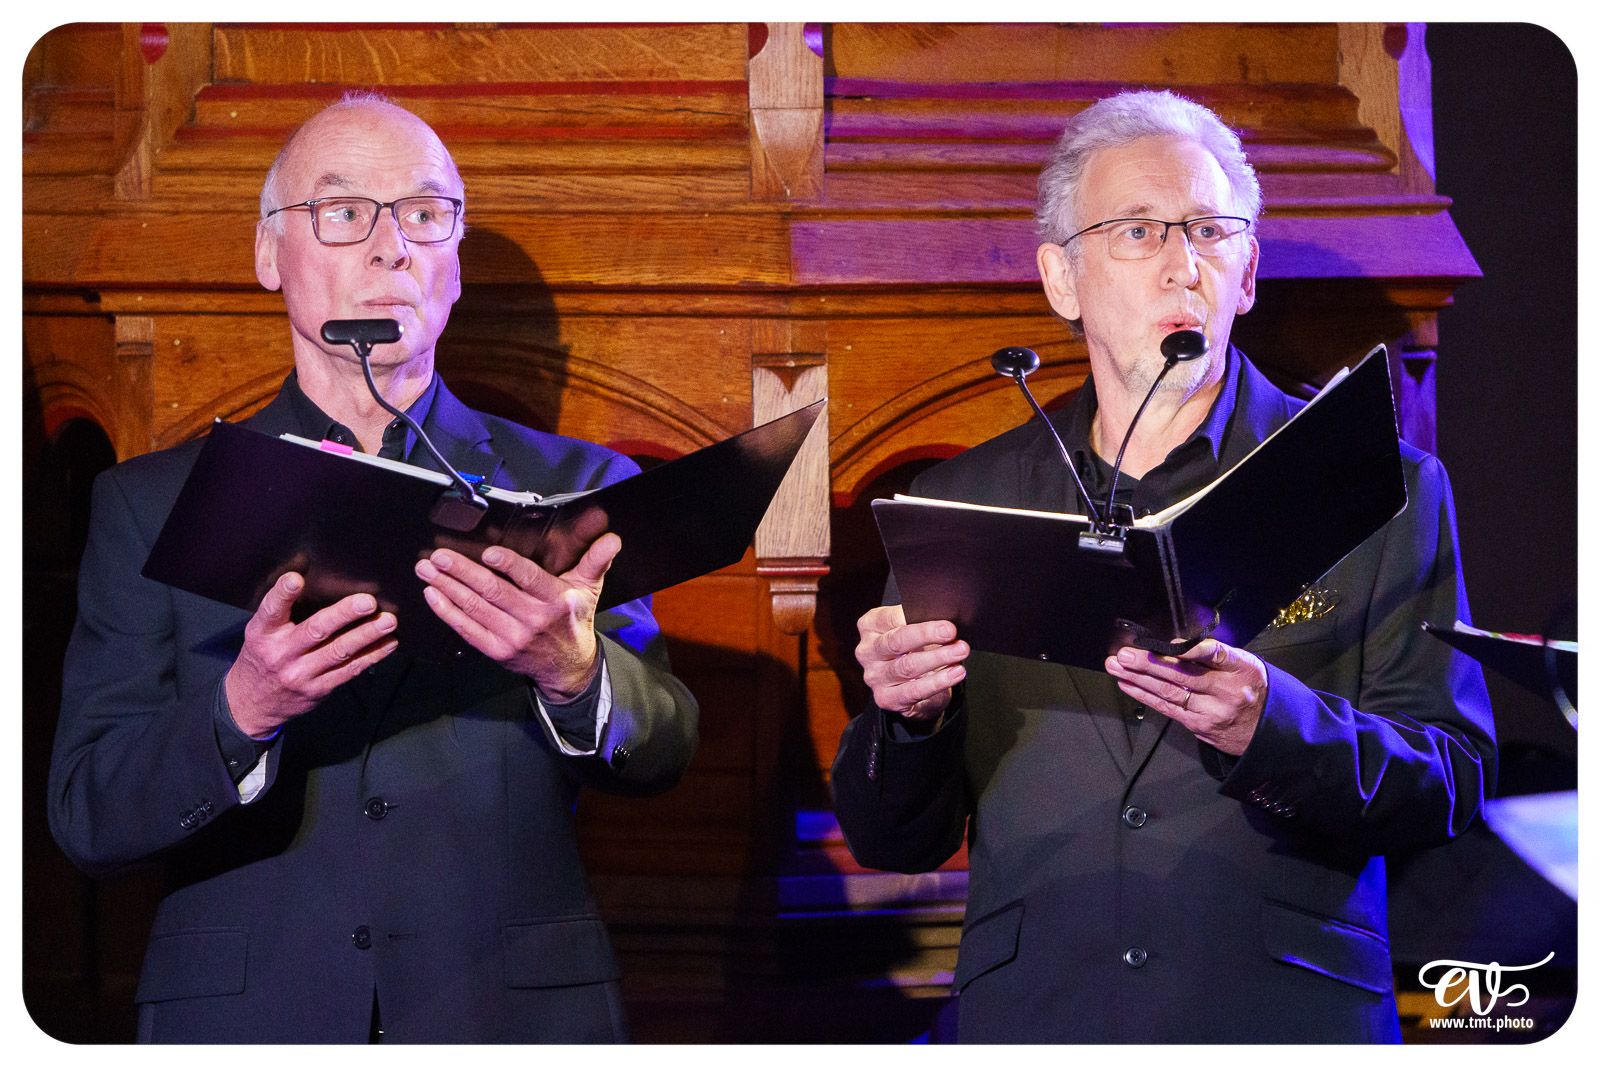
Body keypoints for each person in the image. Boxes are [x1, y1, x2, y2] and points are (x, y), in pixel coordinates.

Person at [832, 90, 1495, 1043]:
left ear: (1247, 273)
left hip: (1281, 1020)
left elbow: (1450, 778)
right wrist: (909, 718)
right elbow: (894, 836)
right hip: (1038, 1020)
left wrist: (1275, 725)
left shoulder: (1373, 484)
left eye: (1211, 232)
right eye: (1139, 231)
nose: (1184, 264)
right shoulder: (964, 503)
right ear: (1062, 279)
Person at [48, 94, 699, 1043]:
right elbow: (87, 813)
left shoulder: (576, 487)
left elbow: (666, 748)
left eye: (425, 214)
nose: (392, 247)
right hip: (247, 1021)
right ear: (269, 252)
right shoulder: (148, 504)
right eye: (345, 212)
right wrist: (242, 709)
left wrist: (575, 672)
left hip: (508, 1016)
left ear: (454, 262)